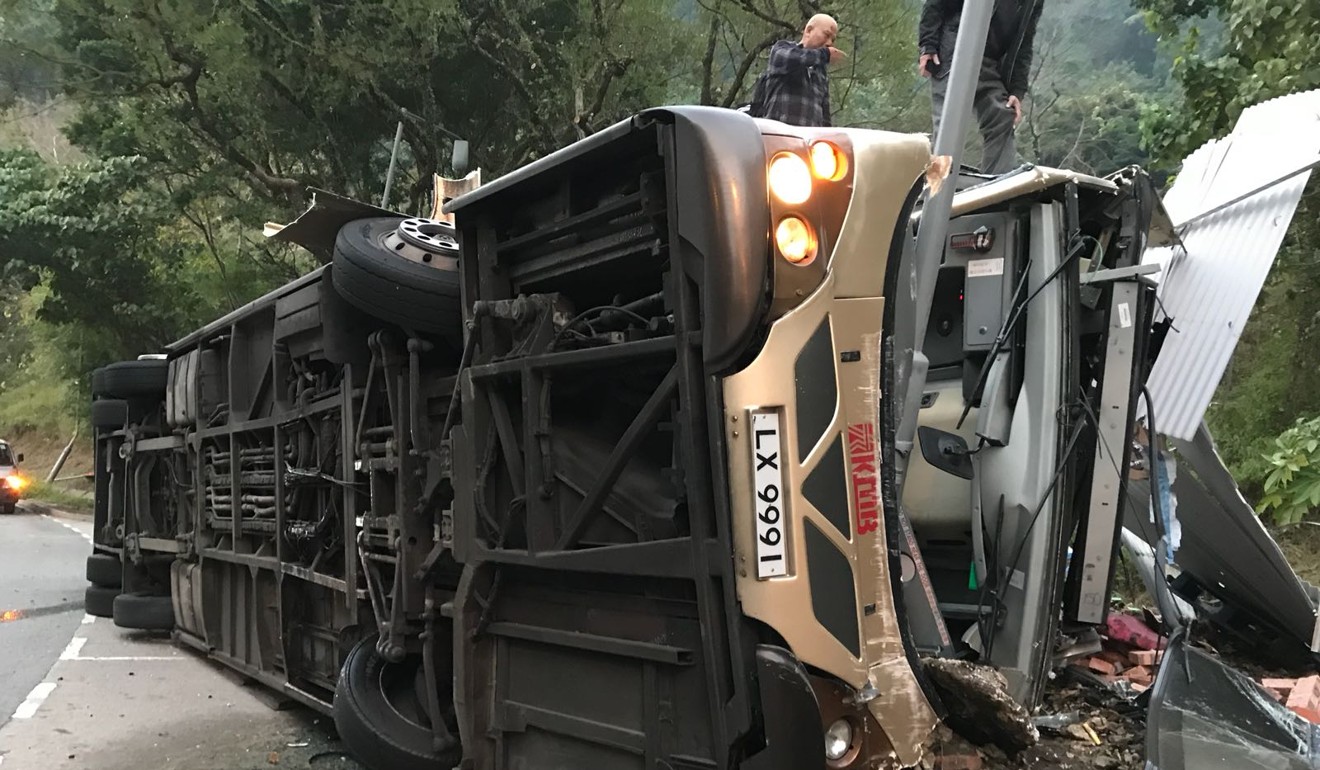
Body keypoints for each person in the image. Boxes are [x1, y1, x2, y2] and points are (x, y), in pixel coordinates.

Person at [918, 0, 1044, 174]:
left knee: (1002, 116)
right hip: (956, 49)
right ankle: (936, 191)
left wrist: (1017, 90)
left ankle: (995, 194)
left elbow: (1024, 41)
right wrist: (928, 45)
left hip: (990, 62)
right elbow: (936, 3)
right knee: (949, 125)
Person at [753, 14, 846, 128]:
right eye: (826, 35)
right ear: (808, 30)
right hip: (778, 136)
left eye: (832, 39)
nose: (829, 43)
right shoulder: (782, 48)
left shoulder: (821, 72)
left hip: (809, 142)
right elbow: (792, 58)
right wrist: (825, 54)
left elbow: (825, 115)